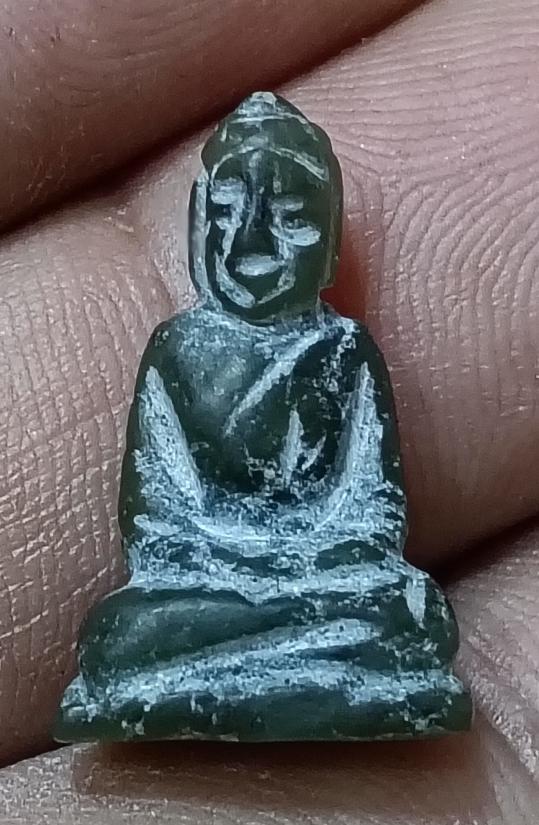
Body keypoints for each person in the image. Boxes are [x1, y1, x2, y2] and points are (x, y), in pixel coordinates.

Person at [0, 0, 537, 819]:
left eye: (287, 218)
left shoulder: (343, 350)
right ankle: (279, 666)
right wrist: (238, 564)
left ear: (328, 238)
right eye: (226, 213)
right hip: (201, 585)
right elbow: (157, 521)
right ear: (196, 225)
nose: (250, 245)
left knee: (410, 613)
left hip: (328, 579)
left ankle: (265, 668)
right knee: (120, 631)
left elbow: (370, 510)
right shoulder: (177, 350)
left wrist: (307, 562)